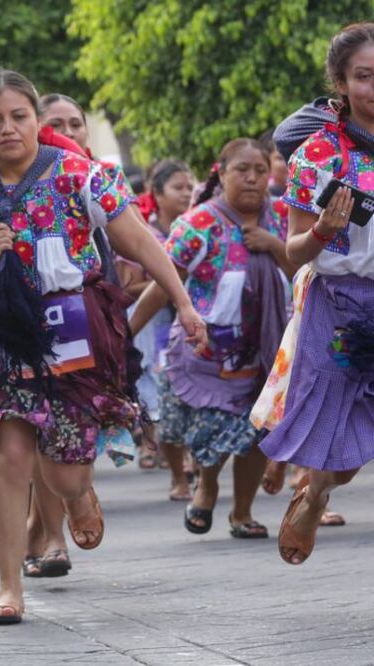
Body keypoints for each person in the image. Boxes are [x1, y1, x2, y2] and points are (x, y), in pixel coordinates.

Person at [0, 70, 204, 625]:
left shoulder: (82, 175)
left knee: (64, 474)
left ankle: (80, 497)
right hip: (2, 336)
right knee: (10, 456)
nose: (7, 128)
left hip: (75, 332)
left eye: (18, 116)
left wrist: (183, 303)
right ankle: (9, 587)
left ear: (36, 119)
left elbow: (142, 244)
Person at [132, 138, 296, 539]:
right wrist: (126, 333)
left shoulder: (284, 219)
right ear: (221, 174)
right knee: (212, 430)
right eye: (242, 170)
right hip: (205, 352)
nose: (254, 178)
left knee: (258, 431)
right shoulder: (198, 223)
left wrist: (272, 245)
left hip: (265, 351)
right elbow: (163, 284)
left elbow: (303, 268)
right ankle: (206, 485)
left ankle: (242, 512)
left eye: (260, 170)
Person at [259, 22, 374, 565]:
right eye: (364, 76)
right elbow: (292, 253)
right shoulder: (317, 155)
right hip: (337, 303)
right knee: (331, 431)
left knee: (359, 448)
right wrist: (325, 230)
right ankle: (313, 490)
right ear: (342, 82)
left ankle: (320, 488)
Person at [125, 160, 196, 498]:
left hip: (191, 322)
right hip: (155, 327)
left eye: (189, 187)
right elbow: (131, 286)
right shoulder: (144, 235)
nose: (186, 194)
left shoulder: (200, 227)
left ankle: (191, 460)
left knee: (192, 394)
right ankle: (173, 465)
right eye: (177, 188)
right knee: (162, 395)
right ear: (157, 193)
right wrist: (169, 284)